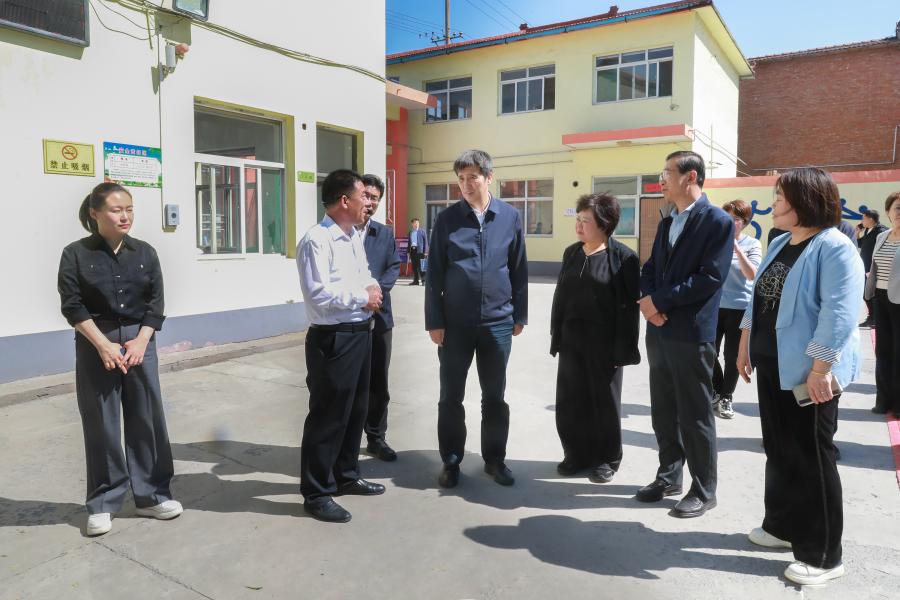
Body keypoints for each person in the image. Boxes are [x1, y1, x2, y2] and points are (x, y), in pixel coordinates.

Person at [737, 167, 863, 586]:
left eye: (779, 197)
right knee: (779, 448)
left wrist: (821, 369)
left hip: (809, 373)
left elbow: (839, 314)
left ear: (804, 201)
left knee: (811, 457)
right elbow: (758, 299)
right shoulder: (779, 242)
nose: (772, 203)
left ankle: (823, 555)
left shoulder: (835, 247)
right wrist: (744, 342)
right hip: (773, 364)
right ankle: (781, 526)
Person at [57, 182, 182, 537]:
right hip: (96, 342)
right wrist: (103, 345)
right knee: (102, 422)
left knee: (147, 418)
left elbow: (155, 302)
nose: (125, 216)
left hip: (141, 342)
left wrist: (142, 341)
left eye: (129, 209)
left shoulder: (145, 252)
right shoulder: (75, 254)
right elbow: (72, 305)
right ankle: (103, 502)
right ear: (95, 213)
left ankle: (152, 495)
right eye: (116, 210)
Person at [636, 150, 732, 518]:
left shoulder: (717, 222)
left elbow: (710, 277)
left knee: (694, 413)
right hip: (659, 329)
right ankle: (669, 476)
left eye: (666, 172)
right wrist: (648, 302)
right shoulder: (667, 222)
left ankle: (704, 489)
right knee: (663, 407)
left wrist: (659, 302)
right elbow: (650, 269)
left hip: (690, 333)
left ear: (690, 177)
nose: (660, 179)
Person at [425, 149, 528, 488]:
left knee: (494, 397)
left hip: (498, 323)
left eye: (473, 177)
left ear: (489, 178)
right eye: (461, 179)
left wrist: (519, 314)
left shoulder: (509, 217)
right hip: (455, 325)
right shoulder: (448, 219)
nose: (466, 185)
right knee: (450, 397)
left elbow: (518, 268)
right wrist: (434, 321)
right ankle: (451, 460)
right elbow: (434, 273)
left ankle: (495, 460)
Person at [296, 169, 385, 523]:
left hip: (360, 332)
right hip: (334, 338)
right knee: (328, 417)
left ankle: (346, 475)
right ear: (344, 200)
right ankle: (317, 492)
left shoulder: (352, 237)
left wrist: (372, 286)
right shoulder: (317, 240)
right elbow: (318, 294)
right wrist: (363, 297)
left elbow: (364, 275)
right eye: (364, 196)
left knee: (355, 410)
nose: (369, 203)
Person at [550, 193, 640, 483]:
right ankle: (576, 454)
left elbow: (629, 311)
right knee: (570, 399)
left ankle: (607, 458)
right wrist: (557, 335)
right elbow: (561, 297)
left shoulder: (624, 258)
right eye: (577, 219)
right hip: (571, 340)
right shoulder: (572, 253)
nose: (578, 225)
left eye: (585, 221)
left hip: (605, 344)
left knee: (604, 401)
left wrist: (623, 349)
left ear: (604, 223)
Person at [360, 174, 402, 459]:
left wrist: (376, 291)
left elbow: (393, 266)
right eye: (366, 195)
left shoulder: (383, 233)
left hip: (381, 317)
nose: (370, 202)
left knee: (378, 381)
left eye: (375, 198)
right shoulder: (341, 231)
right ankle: (346, 438)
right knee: (351, 381)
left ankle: (376, 437)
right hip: (349, 318)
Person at [712, 199, 762, 419]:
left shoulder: (753, 244)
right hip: (714, 307)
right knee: (707, 351)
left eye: (735, 219)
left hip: (739, 308)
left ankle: (726, 397)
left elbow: (752, 274)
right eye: (726, 218)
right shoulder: (714, 242)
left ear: (745, 222)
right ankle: (716, 389)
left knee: (732, 355)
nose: (730, 222)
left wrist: (736, 249)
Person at [864, 192, 900, 415]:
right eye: (897, 208)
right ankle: (883, 400)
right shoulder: (882, 237)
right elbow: (875, 266)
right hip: (881, 298)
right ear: (888, 212)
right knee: (883, 350)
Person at [858, 209, 888, 327]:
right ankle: (872, 317)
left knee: (874, 294)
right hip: (865, 268)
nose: (862, 221)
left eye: (863, 218)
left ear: (870, 219)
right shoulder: (867, 230)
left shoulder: (881, 231)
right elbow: (860, 244)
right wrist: (857, 232)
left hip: (874, 269)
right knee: (866, 293)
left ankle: (875, 318)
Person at [408, 218, 428, 285]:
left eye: (417, 223)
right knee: (414, 267)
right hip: (412, 251)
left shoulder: (422, 231)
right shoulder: (410, 232)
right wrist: (408, 252)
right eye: (415, 223)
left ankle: (424, 281)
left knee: (422, 266)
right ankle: (416, 281)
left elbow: (426, 242)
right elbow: (409, 242)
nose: (416, 224)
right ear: (412, 224)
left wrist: (426, 251)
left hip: (421, 251)